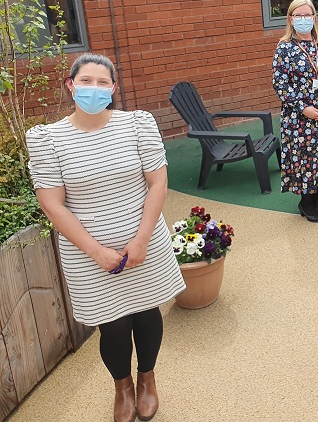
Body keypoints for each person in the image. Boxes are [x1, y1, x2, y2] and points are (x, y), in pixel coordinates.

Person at [26, 53, 185, 422]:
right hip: (87, 254)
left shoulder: (137, 124)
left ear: (113, 88)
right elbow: (52, 204)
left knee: (147, 314)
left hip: (144, 243)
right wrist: (96, 251)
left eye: (102, 82)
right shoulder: (48, 139)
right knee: (112, 325)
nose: (93, 89)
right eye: (85, 81)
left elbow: (158, 182)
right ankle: (123, 386)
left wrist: (142, 239)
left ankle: (147, 378)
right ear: (70, 85)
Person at [272, 0, 318, 222]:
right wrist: (304, 108)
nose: (303, 19)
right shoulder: (285, 48)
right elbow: (280, 84)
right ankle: (306, 200)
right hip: (298, 118)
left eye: (307, 15)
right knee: (303, 158)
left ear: (314, 17)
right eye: (298, 15)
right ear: (291, 19)